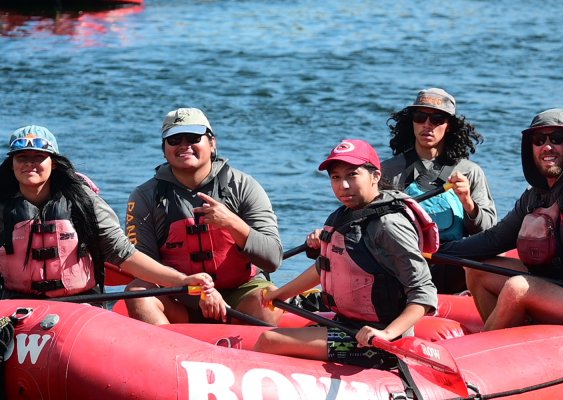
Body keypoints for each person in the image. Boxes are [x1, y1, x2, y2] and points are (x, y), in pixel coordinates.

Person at [440, 108, 563, 332]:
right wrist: (441, 249)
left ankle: (484, 348)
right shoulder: (535, 195)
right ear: (530, 149)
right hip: (560, 285)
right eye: (539, 140)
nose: (547, 146)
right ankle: (503, 337)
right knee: (478, 270)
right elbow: (494, 239)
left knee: (517, 287)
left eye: (556, 139)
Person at [254, 139, 438, 369]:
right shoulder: (343, 216)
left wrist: (387, 333)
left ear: (375, 176)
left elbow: (424, 292)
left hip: (378, 343)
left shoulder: (390, 225)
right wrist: (279, 294)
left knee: (269, 340)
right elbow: (326, 266)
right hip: (347, 326)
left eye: (352, 175)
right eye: (336, 177)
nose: (344, 186)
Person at [0, 125, 214, 301]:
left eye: (39, 157)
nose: (30, 163)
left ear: (53, 163)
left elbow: (122, 253)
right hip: (16, 304)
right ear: (12, 164)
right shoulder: (3, 205)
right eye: (22, 157)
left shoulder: (83, 201)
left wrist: (181, 281)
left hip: (79, 304)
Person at [124, 107, 284, 325]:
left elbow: (273, 258)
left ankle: (255, 351)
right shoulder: (145, 197)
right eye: (174, 140)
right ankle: (167, 351)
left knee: (269, 299)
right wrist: (201, 291)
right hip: (180, 296)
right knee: (138, 291)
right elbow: (142, 266)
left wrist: (232, 223)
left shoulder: (244, 186)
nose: (183, 145)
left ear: (212, 143)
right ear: (164, 149)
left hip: (241, 294)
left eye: (193, 138)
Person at [382, 87, 497, 293]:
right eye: (420, 117)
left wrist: (468, 204)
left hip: (451, 264)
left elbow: (488, 231)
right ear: (412, 122)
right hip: (405, 262)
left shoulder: (470, 172)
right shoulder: (389, 171)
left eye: (437, 119)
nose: (427, 125)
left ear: (449, 126)